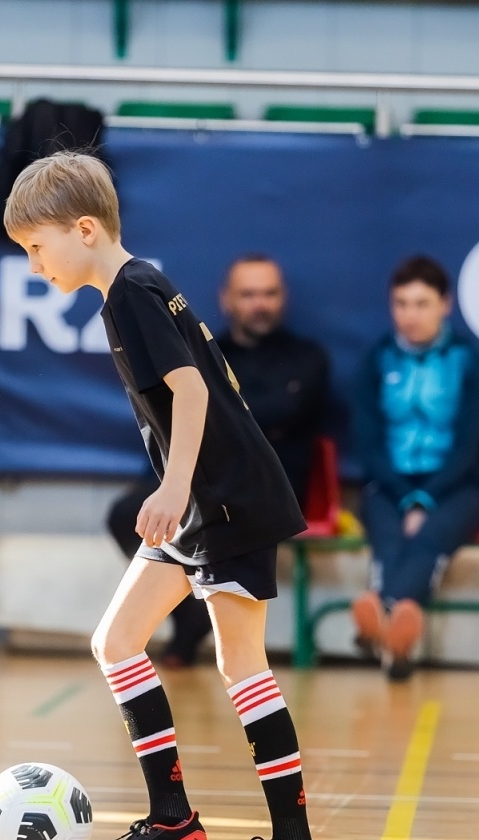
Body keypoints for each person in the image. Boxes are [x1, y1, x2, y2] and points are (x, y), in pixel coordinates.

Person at [4, 151, 325, 840]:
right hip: (204, 500)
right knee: (115, 641)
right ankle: (172, 819)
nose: (34, 265)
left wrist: (174, 485)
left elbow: (189, 391)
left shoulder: (132, 295)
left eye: (36, 247)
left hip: (227, 500)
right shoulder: (135, 286)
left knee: (241, 666)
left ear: (84, 229)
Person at [104, 254, 331, 666]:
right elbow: (179, 415)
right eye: (248, 294)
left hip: (261, 484)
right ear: (226, 299)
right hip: (195, 471)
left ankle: (191, 626)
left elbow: (275, 413)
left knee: (241, 664)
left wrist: (217, 406)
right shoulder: (208, 347)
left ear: (284, 298)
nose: (259, 303)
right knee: (129, 514)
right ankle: (190, 609)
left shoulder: (307, 357)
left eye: (269, 293)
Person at [352, 255, 479, 681]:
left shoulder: (469, 361)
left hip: (458, 485)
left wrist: (426, 498)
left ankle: (381, 616)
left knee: (429, 536)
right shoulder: (376, 360)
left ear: (444, 305)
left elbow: (471, 443)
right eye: (401, 304)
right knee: (390, 537)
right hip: (389, 483)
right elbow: (368, 440)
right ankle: (397, 643)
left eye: (421, 304)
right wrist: (405, 495)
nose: (410, 315)